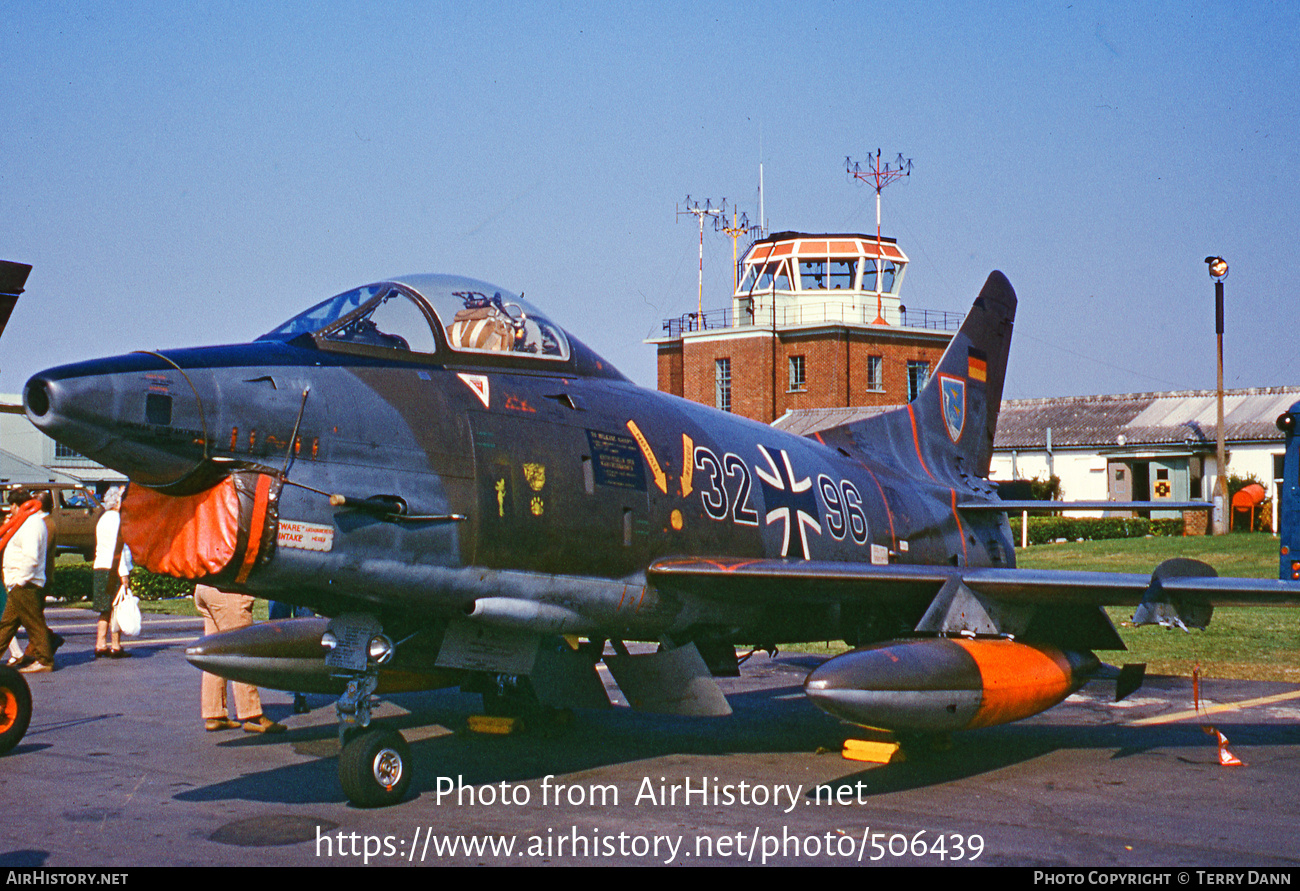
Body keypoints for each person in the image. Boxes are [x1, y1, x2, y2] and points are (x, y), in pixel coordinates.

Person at [193, 583, 285, 733]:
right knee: (243, 651)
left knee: (214, 652)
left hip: (205, 587)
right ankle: (252, 715)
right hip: (229, 590)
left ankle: (214, 714)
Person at [0, 490, 55, 673]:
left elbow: (31, 557)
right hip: (20, 583)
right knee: (7, 624)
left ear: (16, 505)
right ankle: (45, 654)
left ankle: (44, 660)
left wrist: (20, 581)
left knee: (33, 623)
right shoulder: (24, 522)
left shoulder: (32, 524)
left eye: (11, 506)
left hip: (26, 583)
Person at [92, 487, 133, 658]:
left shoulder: (102, 519)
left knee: (105, 608)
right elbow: (119, 550)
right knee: (117, 606)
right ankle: (116, 645)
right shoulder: (118, 520)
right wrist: (124, 574)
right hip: (114, 568)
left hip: (100, 566)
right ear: (117, 501)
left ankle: (100, 643)